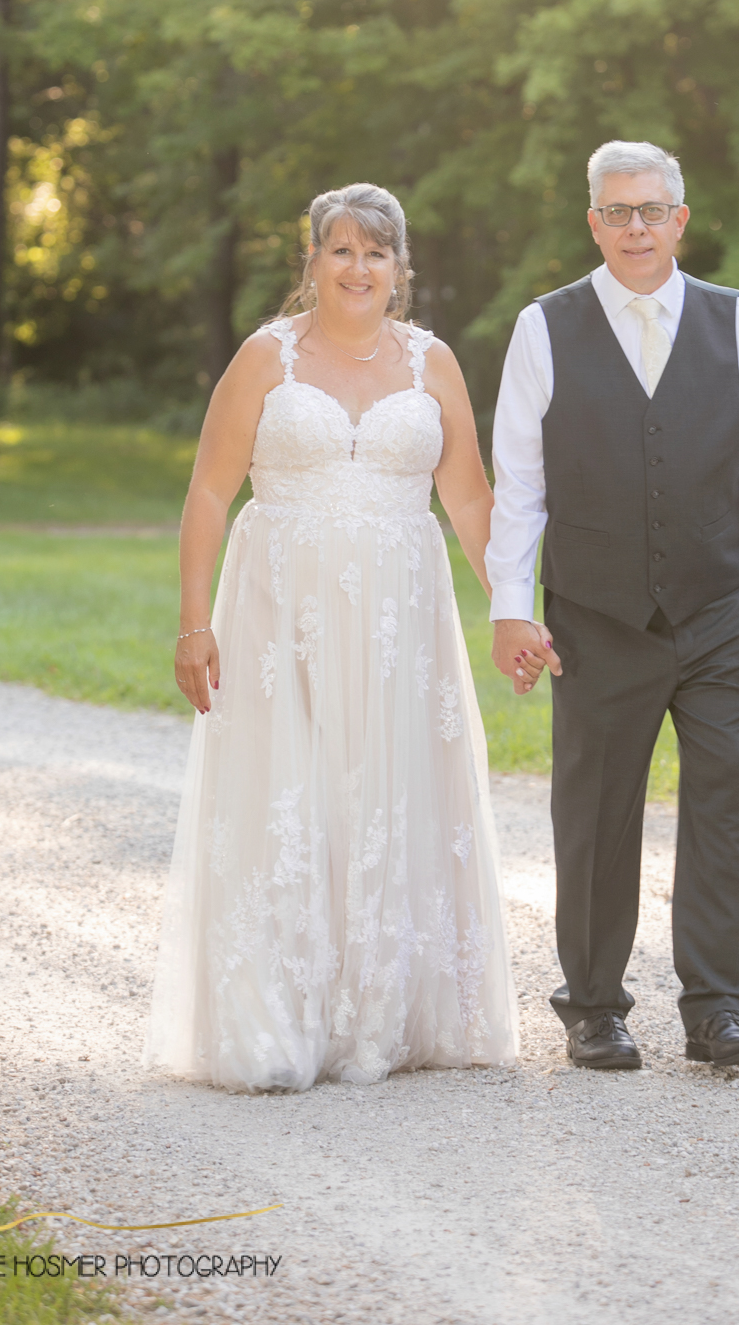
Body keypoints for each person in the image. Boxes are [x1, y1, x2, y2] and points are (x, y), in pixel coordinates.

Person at [144, 182, 517, 1092]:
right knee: (289, 795)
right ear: (311, 261)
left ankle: (388, 1013)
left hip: (400, 621)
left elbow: (470, 500)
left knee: (391, 792)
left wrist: (513, 605)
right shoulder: (264, 357)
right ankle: (276, 1018)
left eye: (375, 253)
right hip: (279, 615)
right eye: (341, 250)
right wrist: (194, 624)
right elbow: (208, 493)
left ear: (400, 267)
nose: (358, 268)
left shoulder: (433, 363)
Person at [487, 140, 739, 1070]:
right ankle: (593, 1007)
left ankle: (718, 1007)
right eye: (618, 212)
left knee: (723, 799)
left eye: (652, 210)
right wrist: (512, 605)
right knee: (594, 811)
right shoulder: (544, 327)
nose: (637, 228)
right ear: (594, 223)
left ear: (680, 219)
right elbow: (520, 483)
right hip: (595, 615)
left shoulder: (735, 321)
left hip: (719, 611)